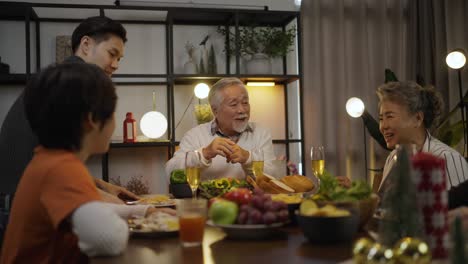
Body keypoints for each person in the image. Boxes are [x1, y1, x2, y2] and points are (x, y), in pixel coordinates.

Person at [0, 63, 174, 263]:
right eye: (112, 114)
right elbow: (108, 239)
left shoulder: (48, 160)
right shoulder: (61, 169)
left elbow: (86, 211)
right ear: (91, 119)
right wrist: (149, 223)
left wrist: (146, 211)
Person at [0, 16, 137, 208]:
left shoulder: (63, 77)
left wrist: (100, 185)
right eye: (112, 54)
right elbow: (53, 172)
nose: (116, 65)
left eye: (119, 58)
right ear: (86, 44)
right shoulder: (72, 82)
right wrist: (102, 197)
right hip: (20, 202)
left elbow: (58, 162)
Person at [165, 77, 276, 181]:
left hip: (249, 200)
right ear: (215, 110)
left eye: (245, 102)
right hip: (207, 200)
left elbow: (273, 177)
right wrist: (204, 154)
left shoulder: (260, 132)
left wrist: (248, 158)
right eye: (233, 104)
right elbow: (170, 172)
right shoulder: (195, 135)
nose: (242, 110)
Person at [376, 81, 468, 194]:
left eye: (389, 116)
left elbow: (458, 209)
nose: (383, 126)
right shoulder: (393, 158)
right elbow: (382, 207)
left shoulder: (447, 158)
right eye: (381, 119)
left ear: (418, 118)